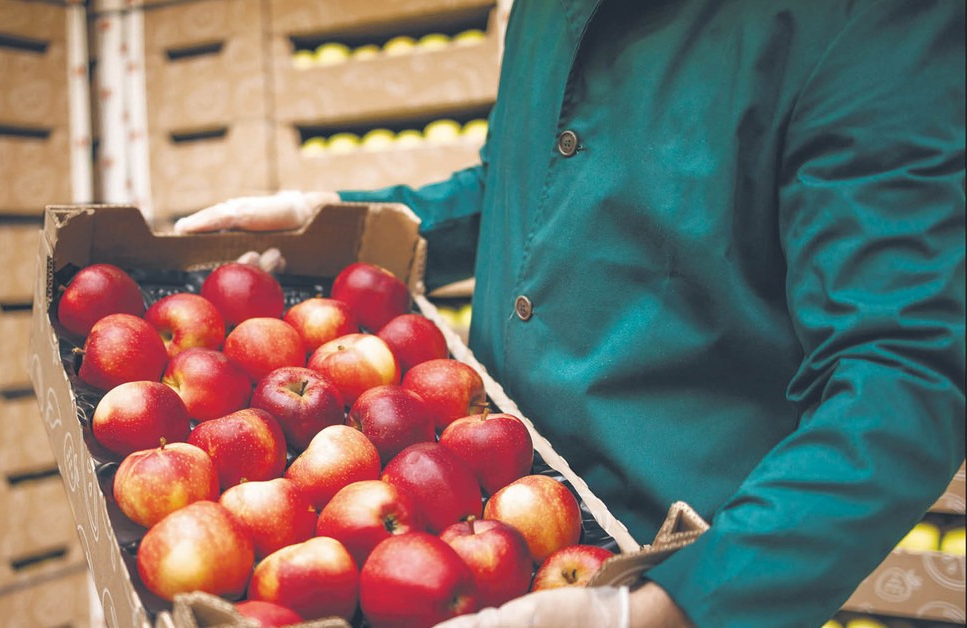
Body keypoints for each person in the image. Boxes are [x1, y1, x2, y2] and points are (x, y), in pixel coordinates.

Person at [176, 1, 966, 626]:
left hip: (656, 559)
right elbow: (544, 182)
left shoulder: (869, 19)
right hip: (441, 525)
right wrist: (362, 219)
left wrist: (669, 609)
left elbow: (903, 370)